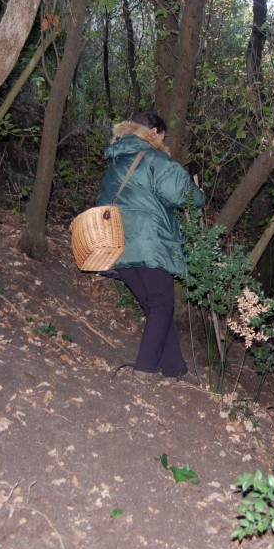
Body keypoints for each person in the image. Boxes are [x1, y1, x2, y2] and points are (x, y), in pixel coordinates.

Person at [96, 113, 205, 381]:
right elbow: (182, 194)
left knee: (154, 305)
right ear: (154, 131)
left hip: (118, 243)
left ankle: (174, 368)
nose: (163, 142)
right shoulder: (154, 159)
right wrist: (198, 193)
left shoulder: (117, 160)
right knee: (161, 305)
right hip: (147, 243)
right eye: (162, 137)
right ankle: (144, 368)